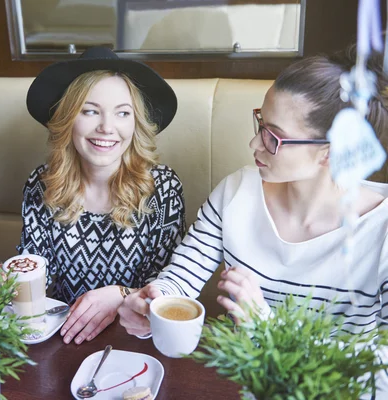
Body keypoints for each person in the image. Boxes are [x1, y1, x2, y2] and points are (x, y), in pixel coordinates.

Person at [118, 48, 388, 389]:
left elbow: (379, 374)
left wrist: (268, 328)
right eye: (261, 123)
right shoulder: (237, 191)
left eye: (273, 137)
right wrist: (152, 303)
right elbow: (180, 279)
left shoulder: (381, 234)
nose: (254, 143)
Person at [20, 46, 186, 345]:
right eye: (90, 111)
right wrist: (9, 285)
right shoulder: (40, 184)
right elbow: (36, 273)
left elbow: (168, 288)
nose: (107, 128)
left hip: (135, 338)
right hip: (63, 338)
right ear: (68, 118)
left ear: (135, 123)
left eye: (122, 113)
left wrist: (122, 295)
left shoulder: (163, 188)